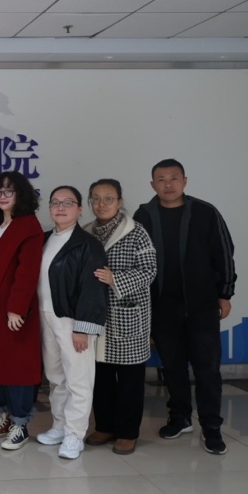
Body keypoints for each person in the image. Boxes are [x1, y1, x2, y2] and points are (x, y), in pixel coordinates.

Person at [133, 159, 236, 455]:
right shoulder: (144, 215)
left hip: (201, 304)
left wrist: (225, 293)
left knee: (207, 368)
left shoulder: (205, 212)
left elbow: (224, 253)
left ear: (185, 181)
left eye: (174, 178)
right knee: (173, 366)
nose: (168, 184)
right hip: (161, 305)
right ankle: (179, 417)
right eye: (161, 179)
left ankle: (211, 426)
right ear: (152, 184)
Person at [83, 178, 157, 455]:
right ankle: (104, 425)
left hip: (127, 315)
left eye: (108, 198)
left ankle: (127, 432)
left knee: (129, 379)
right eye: (96, 198)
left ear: (120, 201)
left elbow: (149, 270)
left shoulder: (136, 232)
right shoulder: (86, 231)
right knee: (100, 376)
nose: (101, 204)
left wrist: (116, 279)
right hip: (96, 316)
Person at [35, 186, 109, 459]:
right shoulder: (43, 239)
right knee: (56, 377)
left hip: (72, 321)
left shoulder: (88, 245)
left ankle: (74, 435)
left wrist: (82, 328)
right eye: (55, 202)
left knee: (78, 380)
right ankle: (59, 426)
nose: (60, 207)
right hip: (46, 317)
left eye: (68, 203)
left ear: (80, 209)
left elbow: (93, 289)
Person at [0, 171, 44, 451]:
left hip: (14, 310)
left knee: (17, 367)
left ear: (21, 195)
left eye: (9, 191)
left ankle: (20, 423)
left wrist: (16, 308)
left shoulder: (28, 226)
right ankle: (5, 416)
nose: (3, 196)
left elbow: (27, 272)